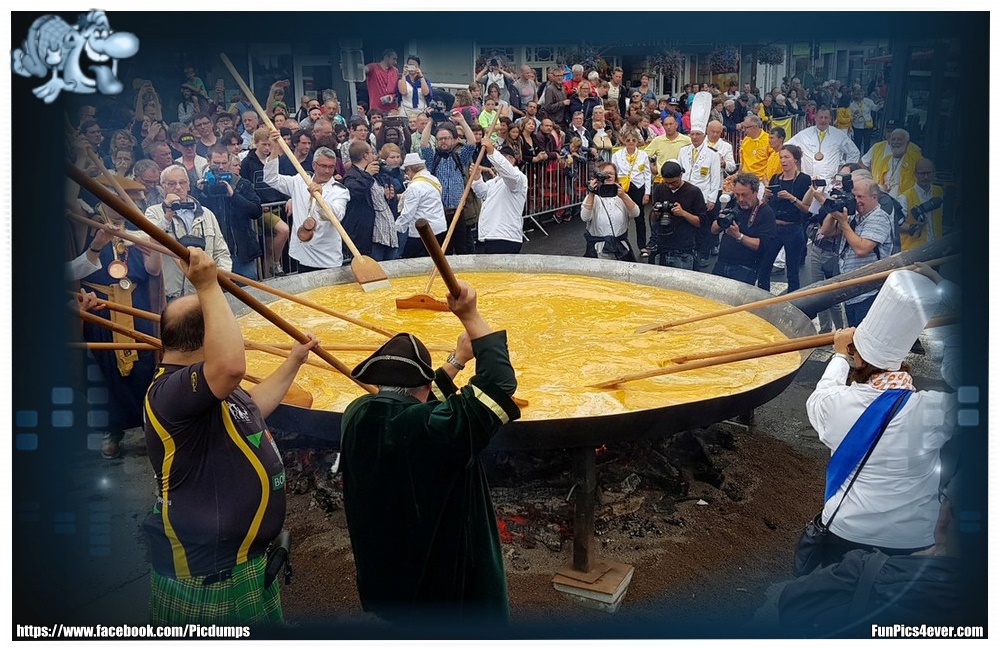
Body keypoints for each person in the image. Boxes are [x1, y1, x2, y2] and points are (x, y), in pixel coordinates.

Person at [143, 246, 319, 625]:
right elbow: (232, 366)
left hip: (243, 563)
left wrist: (293, 361)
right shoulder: (169, 392)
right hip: (210, 575)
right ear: (211, 337)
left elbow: (250, 406)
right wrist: (208, 287)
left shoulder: (207, 387)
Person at [341, 276, 520, 625]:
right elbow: (498, 385)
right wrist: (471, 316)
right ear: (423, 386)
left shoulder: (357, 415)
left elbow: (417, 405)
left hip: (386, 587)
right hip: (444, 598)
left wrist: (456, 361)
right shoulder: (427, 430)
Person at [804, 269, 956, 570]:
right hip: (913, 539)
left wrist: (838, 356)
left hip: (847, 530)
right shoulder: (936, 409)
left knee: (836, 609)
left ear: (856, 357)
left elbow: (820, 395)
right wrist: (948, 294)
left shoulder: (838, 404)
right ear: (902, 361)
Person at [77, 188, 162, 460]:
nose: (120, 204)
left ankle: (150, 425)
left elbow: (152, 271)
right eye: (113, 198)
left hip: (137, 306)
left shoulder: (138, 229)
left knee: (146, 367)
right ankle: (111, 431)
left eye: (126, 199)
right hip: (101, 307)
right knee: (105, 370)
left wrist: (154, 249)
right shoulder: (85, 224)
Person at [264, 129, 350, 272]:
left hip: (327, 258)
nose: (328, 171)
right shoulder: (299, 180)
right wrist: (274, 149)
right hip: (302, 254)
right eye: (323, 166)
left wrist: (321, 198)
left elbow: (337, 215)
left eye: (331, 167)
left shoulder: (340, 190)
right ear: (314, 165)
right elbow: (271, 179)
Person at [146, 165, 232, 298]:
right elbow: (153, 240)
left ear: (189, 186)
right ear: (163, 187)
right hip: (171, 294)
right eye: (172, 183)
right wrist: (168, 214)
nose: (178, 187)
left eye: (182, 182)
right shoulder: (153, 212)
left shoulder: (206, 214)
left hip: (205, 292)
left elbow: (221, 251)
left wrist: (221, 280)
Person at [818, 176, 894, 325]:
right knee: (852, 337)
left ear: (874, 197)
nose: (856, 201)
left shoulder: (879, 218)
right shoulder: (856, 216)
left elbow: (862, 249)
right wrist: (833, 210)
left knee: (863, 338)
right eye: (854, 196)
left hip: (869, 291)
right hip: (852, 290)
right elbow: (826, 231)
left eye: (861, 197)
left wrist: (844, 223)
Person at [193, 144, 263, 280]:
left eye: (224, 163)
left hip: (241, 251)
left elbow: (256, 211)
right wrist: (198, 192)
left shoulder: (242, 184)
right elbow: (195, 215)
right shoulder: (202, 186)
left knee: (249, 291)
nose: (220, 167)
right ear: (208, 161)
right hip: (214, 252)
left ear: (229, 162)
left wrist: (234, 196)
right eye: (216, 163)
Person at [420, 114, 478, 254]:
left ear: (453, 140)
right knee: (442, 251)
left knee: (462, 249)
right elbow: (424, 144)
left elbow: (471, 143)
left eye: (446, 138)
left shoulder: (460, 158)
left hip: (458, 212)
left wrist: (462, 121)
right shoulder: (432, 159)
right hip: (439, 214)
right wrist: (430, 121)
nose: (443, 141)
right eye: (440, 139)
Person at [758, 144, 812, 291]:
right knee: (764, 266)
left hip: (793, 228)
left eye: (786, 157)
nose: (783, 161)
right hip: (774, 228)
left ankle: (794, 303)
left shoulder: (804, 179)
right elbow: (764, 204)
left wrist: (792, 198)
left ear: (795, 159)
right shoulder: (776, 178)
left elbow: (807, 209)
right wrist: (766, 196)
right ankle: (763, 299)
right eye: (781, 157)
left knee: (792, 271)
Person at [677, 94, 721, 269]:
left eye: (698, 134)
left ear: (704, 135)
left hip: (703, 195)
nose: (694, 137)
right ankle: (688, 251)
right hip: (686, 195)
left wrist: (712, 198)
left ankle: (703, 253)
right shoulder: (683, 151)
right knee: (686, 225)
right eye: (692, 134)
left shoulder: (712, 154)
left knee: (703, 227)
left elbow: (715, 178)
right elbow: (680, 173)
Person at [711, 172, 776, 285]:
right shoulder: (733, 203)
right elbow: (713, 230)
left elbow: (761, 245)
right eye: (737, 194)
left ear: (755, 192)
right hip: (722, 264)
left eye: (744, 195)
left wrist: (739, 236)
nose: (740, 199)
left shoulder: (766, 213)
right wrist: (721, 221)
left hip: (746, 269)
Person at [472, 139, 527, 254]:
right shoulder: (496, 181)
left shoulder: (519, 179)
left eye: (503, 158)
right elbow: (483, 193)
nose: (495, 163)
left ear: (511, 160)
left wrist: (492, 152)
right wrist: (477, 178)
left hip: (505, 237)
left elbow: (509, 173)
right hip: (490, 235)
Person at [649, 161, 707, 270]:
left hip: (684, 248)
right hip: (663, 245)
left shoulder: (694, 192)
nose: (670, 186)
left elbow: (701, 223)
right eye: (667, 183)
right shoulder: (660, 189)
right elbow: (653, 220)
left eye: (674, 183)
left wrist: (683, 213)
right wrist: (656, 213)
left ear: (681, 175)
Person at [786, 106, 860, 189]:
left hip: (830, 181)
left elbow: (854, 152)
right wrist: (794, 165)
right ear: (815, 118)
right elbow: (787, 148)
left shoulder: (838, 135)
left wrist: (846, 168)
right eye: (821, 117)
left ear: (830, 119)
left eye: (826, 117)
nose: (823, 120)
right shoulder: (804, 134)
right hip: (807, 180)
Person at [580, 161, 640, 261]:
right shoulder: (593, 197)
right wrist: (591, 193)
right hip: (598, 249)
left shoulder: (621, 197)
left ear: (615, 177)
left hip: (621, 249)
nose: (608, 176)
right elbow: (585, 217)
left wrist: (624, 196)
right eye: (605, 174)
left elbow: (636, 213)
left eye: (611, 174)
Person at [396, 153, 448, 258]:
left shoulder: (414, 187)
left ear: (409, 170)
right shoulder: (434, 179)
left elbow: (408, 213)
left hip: (421, 232)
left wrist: (396, 228)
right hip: (440, 227)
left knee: (412, 261)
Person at [611, 133, 652, 257]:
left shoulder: (643, 155)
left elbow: (647, 174)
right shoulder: (617, 155)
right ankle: (620, 244)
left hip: (638, 187)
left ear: (637, 142)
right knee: (621, 216)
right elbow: (614, 173)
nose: (630, 142)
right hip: (624, 188)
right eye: (628, 140)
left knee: (640, 218)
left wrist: (647, 193)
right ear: (624, 141)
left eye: (633, 140)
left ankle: (642, 246)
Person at [340, 140, 381, 260]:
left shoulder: (369, 172)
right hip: (357, 230)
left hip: (369, 227)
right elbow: (354, 191)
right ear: (365, 155)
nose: (374, 156)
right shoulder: (351, 175)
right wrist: (367, 175)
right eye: (372, 153)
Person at [898, 158, 945, 251]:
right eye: (922, 174)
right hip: (914, 251)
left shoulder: (939, 192)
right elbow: (896, 224)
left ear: (934, 173)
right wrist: (913, 227)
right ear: (915, 174)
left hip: (936, 249)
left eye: (928, 173)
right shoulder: (905, 197)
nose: (926, 177)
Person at [736, 115, 772, 183]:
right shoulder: (745, 140)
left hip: (760, 181)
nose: (744, 130)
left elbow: (771, 163)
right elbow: (742, 162)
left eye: (746, 127)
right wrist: (738, 179)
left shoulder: (768, 141)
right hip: (745, 180)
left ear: (755, 127)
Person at [366, 49, 400, 115]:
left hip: (391, 109)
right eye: (394, 59)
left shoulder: (395, 71)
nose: (395, 62)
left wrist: (391, 97)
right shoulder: (373, 67)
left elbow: (396, 90)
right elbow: (364, 70)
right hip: (376, 109)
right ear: (386, 57)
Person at [398, 54, 432, 119]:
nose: (412, 67)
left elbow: (426, 93)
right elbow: (403, 92)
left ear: (418, 66)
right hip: (406, 111)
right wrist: (404, 75)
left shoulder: (424, 80)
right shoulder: (402, 80)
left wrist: (421, 76)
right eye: (410, 65)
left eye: (414, 65)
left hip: (421, 112)